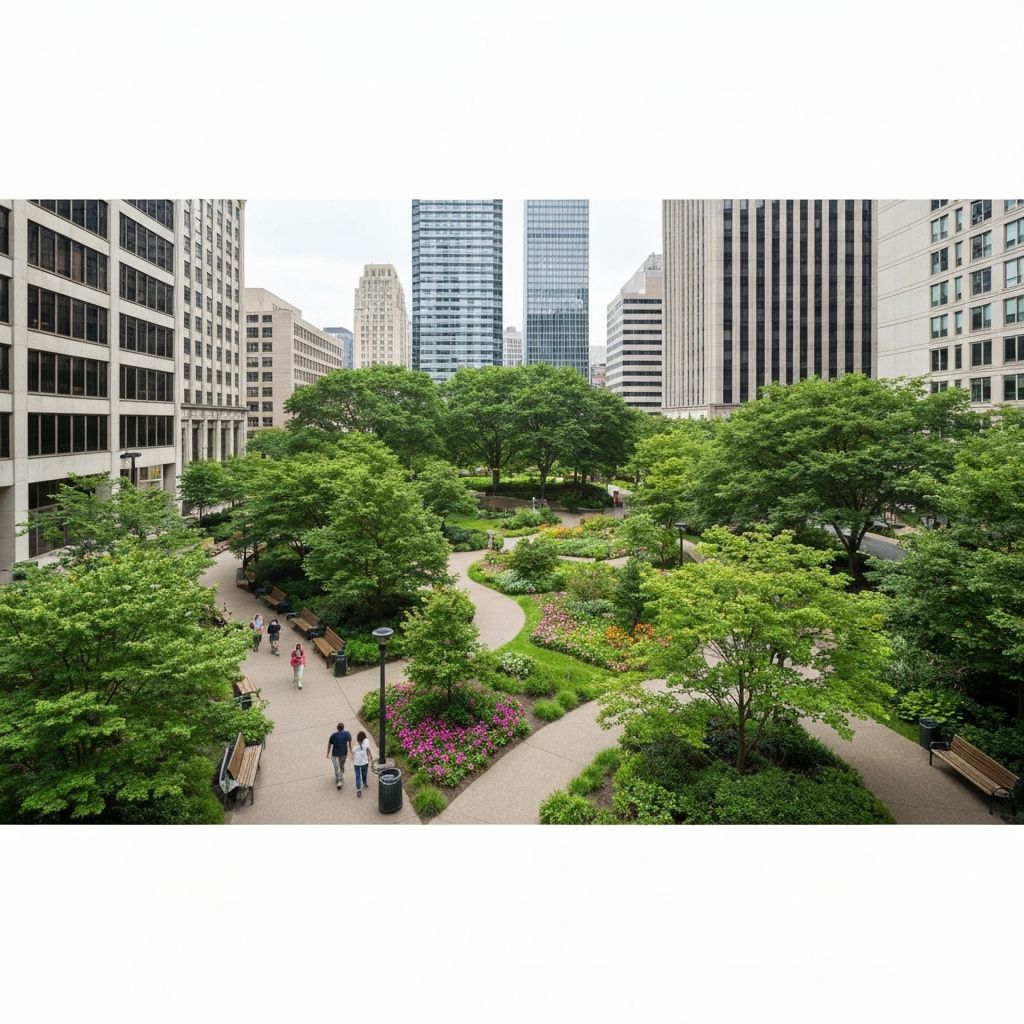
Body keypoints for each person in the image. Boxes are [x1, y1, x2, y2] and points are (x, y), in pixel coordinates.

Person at [326, 722, 353, 790]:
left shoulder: (333, 735)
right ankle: (339, 780)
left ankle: (339, 779)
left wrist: (327, 753)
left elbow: (329, 745)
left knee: (336, 767)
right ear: (343, 728)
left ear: (337, 728)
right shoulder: (348, 734)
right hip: (344, 754)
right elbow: (349, 745)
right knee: (341, 766)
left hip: (335, 754)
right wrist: (351, 752)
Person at [352, 731, 373, 797]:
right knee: (362, 774)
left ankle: (361, 787)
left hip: (359, 762)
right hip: (362, 762)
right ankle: (362, 786)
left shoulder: (358, 744)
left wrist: (353, 757)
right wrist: (370, 757)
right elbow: (368, 750)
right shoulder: (365, 742)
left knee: (359, 776)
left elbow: (352, 753)